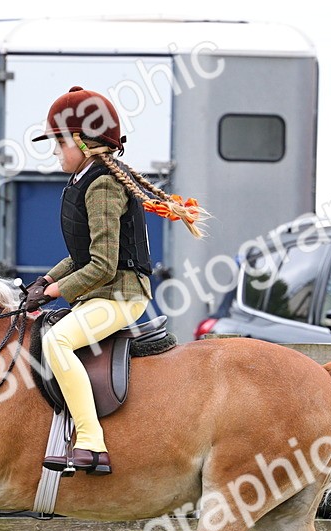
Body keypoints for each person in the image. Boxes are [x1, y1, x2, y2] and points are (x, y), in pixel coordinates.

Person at [26, 85, 209, 476]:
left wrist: (56, 291)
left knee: (57, 341)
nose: (55, 151)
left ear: (82, 140)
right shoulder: (86, 178)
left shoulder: (103, 185)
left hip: (121, 296)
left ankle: (91, 442)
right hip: (102, 295)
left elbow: (103, 267)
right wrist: (44, 280)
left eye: (59, 143)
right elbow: (80, 258)